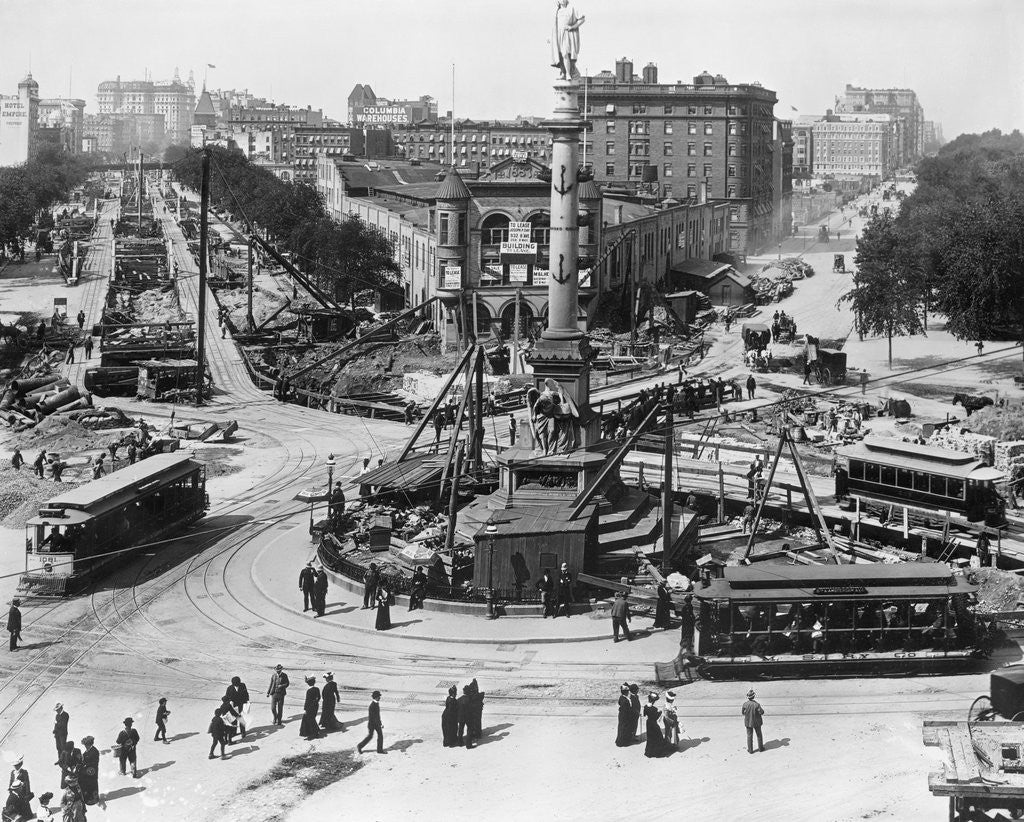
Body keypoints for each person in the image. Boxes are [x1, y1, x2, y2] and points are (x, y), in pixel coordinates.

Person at [643, 693, 671, 758]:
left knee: (650, 737)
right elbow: (656, 717)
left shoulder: (645, 706)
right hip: (653, 723)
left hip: (648, 723)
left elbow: (644, 714)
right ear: (653, 701)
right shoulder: (654, 708)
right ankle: (658, 752)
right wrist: (660, 712)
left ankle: (650, 752)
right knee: (658, 736)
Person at [742, 689, 765, 753]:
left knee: (749, 736)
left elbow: (743, 713)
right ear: (754, 697)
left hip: (748, 722)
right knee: (759, 735)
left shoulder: (745, 704)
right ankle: (761, 748)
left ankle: (750, 750)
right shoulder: (757, 704)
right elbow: (762, 712)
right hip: (757, 722)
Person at [299, 676, 321, 741]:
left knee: (308, 719)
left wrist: (305, 709)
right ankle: (315, 732)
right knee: (312, 719)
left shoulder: (309, 691)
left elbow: (307, 701)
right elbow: (319, 697)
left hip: (310, 707)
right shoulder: (317, 689)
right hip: (315, 706)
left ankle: (313, 733)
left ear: (308, 684)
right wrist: (315, 702)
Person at [79, 738, 99, 805]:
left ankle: (94, 798)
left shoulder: (94, 751)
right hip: (89, 770)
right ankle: (89, 797)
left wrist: (85, 764)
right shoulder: (88, 750)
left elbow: (94, 762)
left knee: (93, 784)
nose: (85, 746)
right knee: (88, 783)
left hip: (92, 770)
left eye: (86, 744)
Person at [465, 679, 484, 747]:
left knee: (475, 723)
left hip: (475, 712)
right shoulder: (477, 695)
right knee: (477, 723)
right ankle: (477, 733)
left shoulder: (474, 696)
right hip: (477, 712)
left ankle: (477, 734)